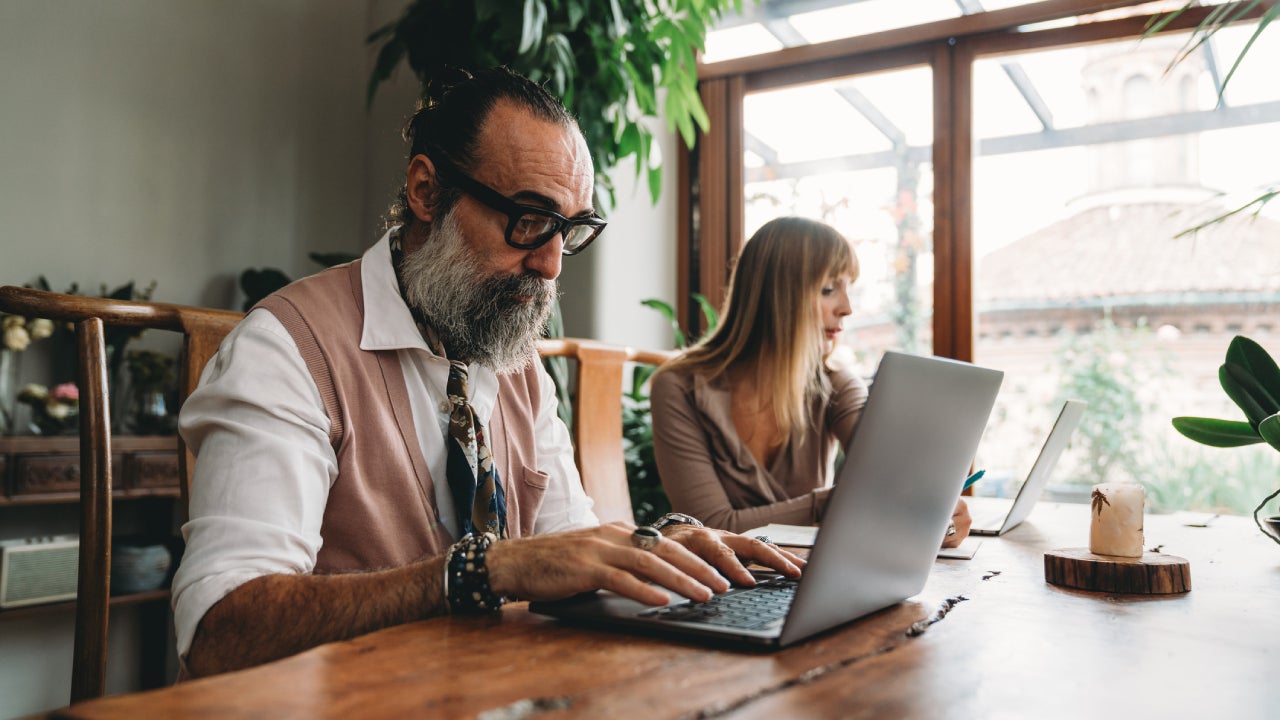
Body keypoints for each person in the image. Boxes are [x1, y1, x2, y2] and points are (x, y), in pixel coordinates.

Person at [171, 67, 801, 679]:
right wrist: (481, 570)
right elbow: (220, 632)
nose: (552, 265)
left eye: (571, 230)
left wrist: (653, 549)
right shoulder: (287, 349)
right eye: (528, 221)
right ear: (426, 191)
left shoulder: (513, 358)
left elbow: (567, 552)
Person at [649, 216, 972, 544]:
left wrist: (933, 510)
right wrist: (832, 503)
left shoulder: (836, 385)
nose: (846, 308)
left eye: (848, 288)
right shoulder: (679, 387)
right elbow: (712, 526)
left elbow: (889, 478)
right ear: (777, 296)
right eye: (829, 289)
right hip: (718, 583)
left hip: (802, 577)